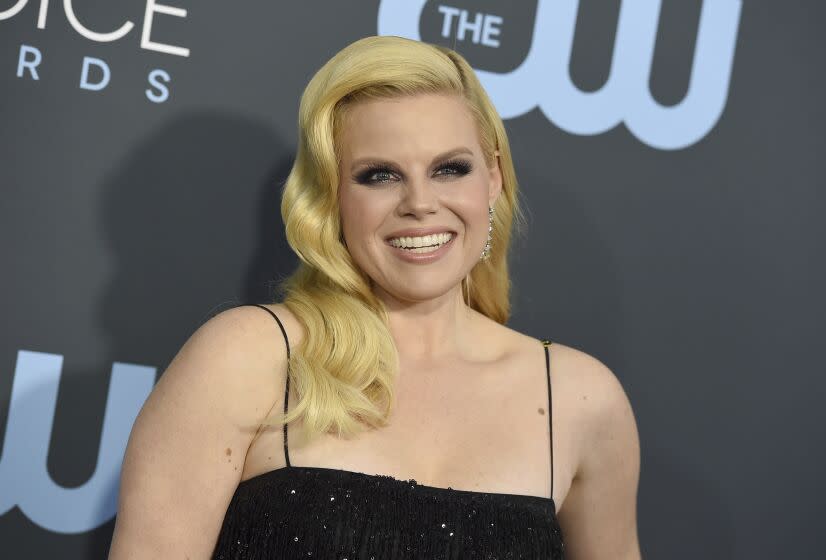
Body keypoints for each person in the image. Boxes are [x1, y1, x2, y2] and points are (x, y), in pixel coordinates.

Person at [108, 35, 641, 559]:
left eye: (450, 169)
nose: (420, 204)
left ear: (493, 179)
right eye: (379, 175)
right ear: (331, 196)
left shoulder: (579, 400)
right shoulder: (249, 357)